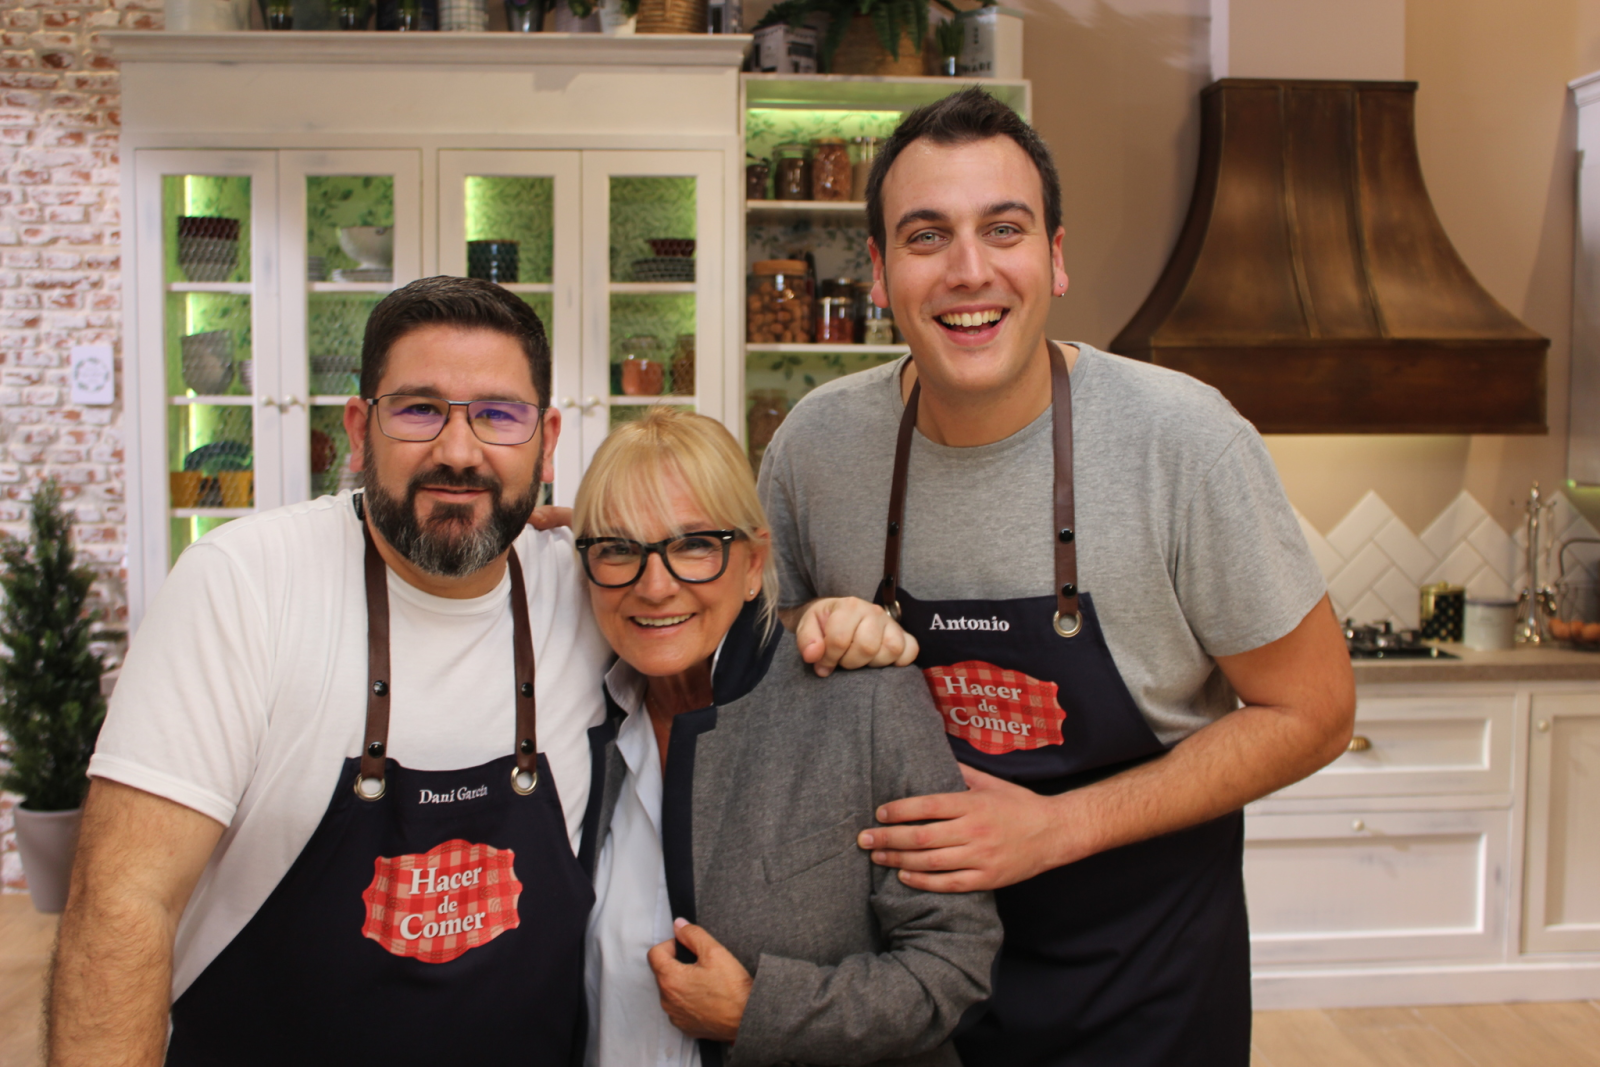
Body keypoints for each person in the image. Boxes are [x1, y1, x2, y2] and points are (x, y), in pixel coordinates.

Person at [44, 276, 904, 1066]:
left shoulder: (583, 583)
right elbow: (120, 909)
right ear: (358, 428)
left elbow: (691, 596)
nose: (459, 450)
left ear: (545, 439)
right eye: (419, 409)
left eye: (497, 414)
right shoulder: (245, 585)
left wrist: (824, 623)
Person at [757, 88, 1357, 1066]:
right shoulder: (817, 448)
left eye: (1004, 228)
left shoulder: (1185, 441)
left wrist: (1054, 827)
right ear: (876, 273)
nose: (968, 270)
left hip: (1145, 990)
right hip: (906, 992)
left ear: (1055, 255)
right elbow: (752, 673)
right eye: (924, 235)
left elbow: (1314, 710)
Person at [574, 409, 1002, 1067]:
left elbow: (952, 961)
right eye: (617, 548)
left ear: (753, 563)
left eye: (693, 543)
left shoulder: (864, 699)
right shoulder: (578, 724)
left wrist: (761, 1013)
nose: (654, 585)